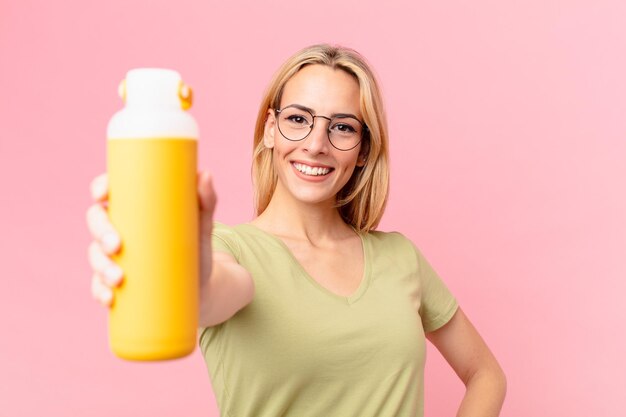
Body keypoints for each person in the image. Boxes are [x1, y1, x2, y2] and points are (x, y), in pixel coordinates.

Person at [86, 44, 506, 417]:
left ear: (363, 150)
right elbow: (206, 292)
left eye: (342, 126)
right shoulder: (231, 250)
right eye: (298, 118)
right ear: (270, 129)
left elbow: (486, 375)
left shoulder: (400, 257)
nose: (315, 143)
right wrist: (168, 267)